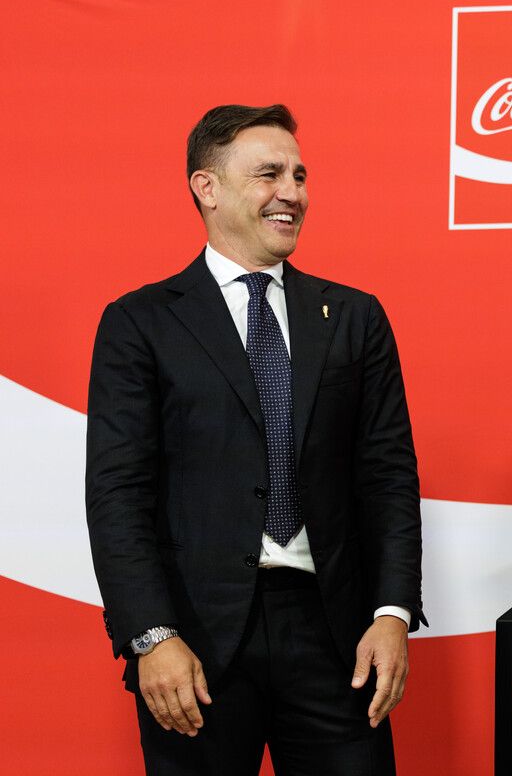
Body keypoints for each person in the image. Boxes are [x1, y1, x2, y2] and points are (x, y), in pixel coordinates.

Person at [86, 104, 423, 776]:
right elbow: (118, 495)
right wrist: (151, 637)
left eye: (299, 175)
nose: (292, 193)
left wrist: (392, 613)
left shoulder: (354, 317)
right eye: (269, 174)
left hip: (335, 640)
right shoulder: (139, 323)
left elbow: (387, 476)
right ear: (205, 187)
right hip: (195, 644)